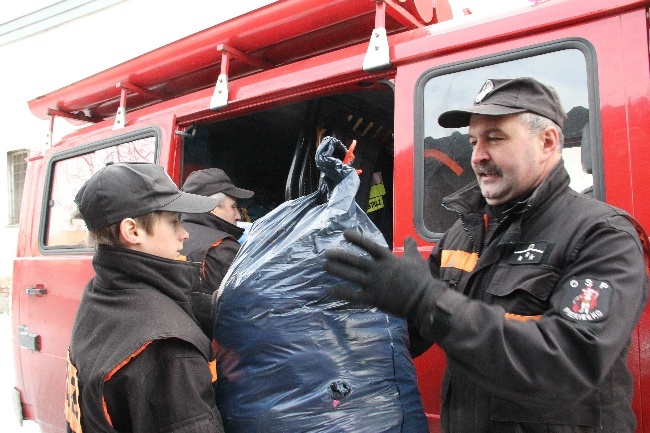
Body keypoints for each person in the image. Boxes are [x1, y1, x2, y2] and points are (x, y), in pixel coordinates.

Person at [324, 77, 650, 432]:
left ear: (547, 142)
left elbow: (568, 364)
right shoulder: (463, 233)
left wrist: (427, 300)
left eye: (494, 138)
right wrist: (337, 336)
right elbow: (415, 329)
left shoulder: (602, 236)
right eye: (473, 141)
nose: (477, 155)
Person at [65, 162, 225, 433]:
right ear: (133, 231)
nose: (184, 234)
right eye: (174, 221)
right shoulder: (166, 346)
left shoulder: (100, 294)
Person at [180, 168, 254, 336]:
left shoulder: (173, 237)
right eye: (233, 207)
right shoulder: (222, 247)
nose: (238, 216)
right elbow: (251, 307)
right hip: (220, 350)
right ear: (211, 208)